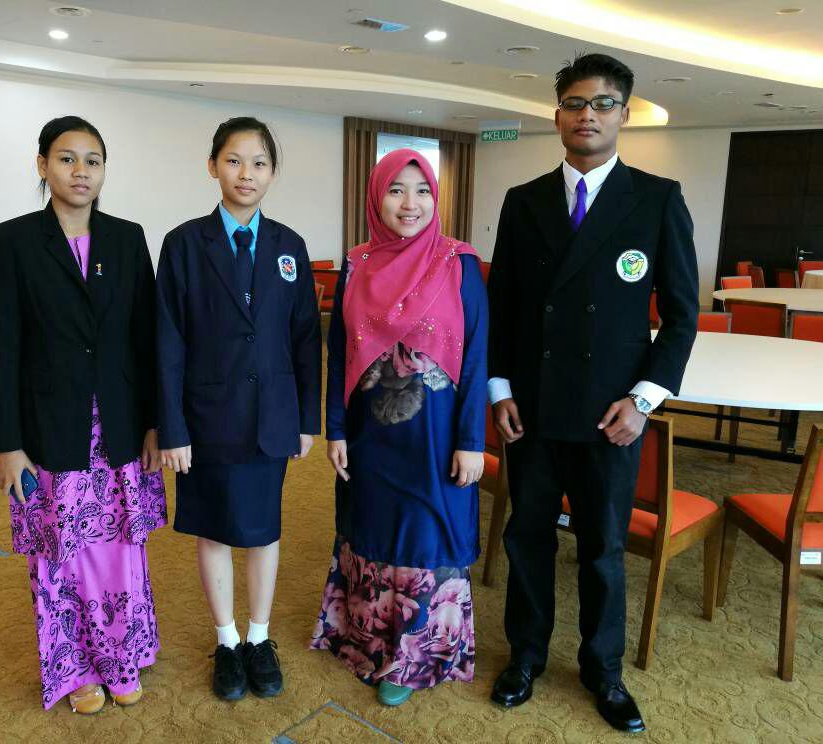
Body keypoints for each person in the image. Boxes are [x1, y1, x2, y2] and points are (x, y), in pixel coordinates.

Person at [487, 53, 699, 733]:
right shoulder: (524, 201)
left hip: (613, 414)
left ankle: (603, 670)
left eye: (603, 104)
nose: (589, 115)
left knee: (604, 547)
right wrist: (498, 388)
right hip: (533, 408)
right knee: (527, 538)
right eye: (576, 103)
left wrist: (644, 400)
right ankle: (525, 656)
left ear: (624, 115)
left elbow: (682, 315)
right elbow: (502, 307)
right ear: (557, 116)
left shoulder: (656, 198)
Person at [0, 116, 166, 714]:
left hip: (119, 425)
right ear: (43, 166)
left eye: (93, 160)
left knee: (118, 549)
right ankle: (77, 668)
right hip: (49, 430)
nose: (80, 171)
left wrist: (154, 422)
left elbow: (145, 339)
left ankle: (121, 657)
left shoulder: (128, 238)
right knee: (62, 551)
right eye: (66, 158)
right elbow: (1, 349)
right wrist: (6, 443)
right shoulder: (12, 240)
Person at [311, 149, 487, 707]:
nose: (410, 204)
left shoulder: (459, 262)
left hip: (435, 437)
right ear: (376, 197)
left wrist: (472, 441)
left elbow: (477, 357)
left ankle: (411, 659)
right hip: (370, 434)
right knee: (373, 526)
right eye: (396, 190)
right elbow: (339, 353)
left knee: (425, 532)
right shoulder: (357, 263)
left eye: (422, 191)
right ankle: (364, 638)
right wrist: (335, 429)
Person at [155, 116, 322, 701]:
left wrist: (307, 418)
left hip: (272, 417)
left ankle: (259, 636)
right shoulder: (183, 244)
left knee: (263, 529)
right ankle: (226, 640)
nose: (245, 173)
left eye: (258, 163)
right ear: (212, 166)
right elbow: (168, 341)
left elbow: (306, 338)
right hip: (205, 420)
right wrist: (171, 426)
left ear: (272, 173)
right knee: (214, 528)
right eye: (233, 160)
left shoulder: (289, 246)